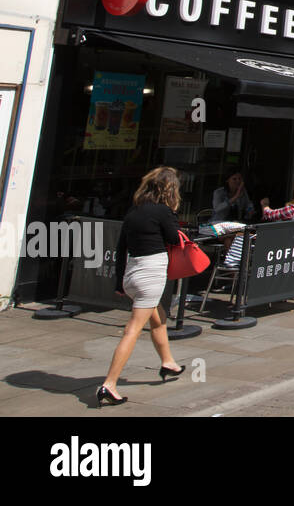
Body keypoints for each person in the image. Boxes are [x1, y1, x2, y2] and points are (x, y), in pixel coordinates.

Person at [98, 166, 186, 407]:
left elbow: (120, 249)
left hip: (132, 275)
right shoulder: (164, 212)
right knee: (133, 329)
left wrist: (119, 283)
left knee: (158, 317)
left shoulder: (133, 213)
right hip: (150, 274)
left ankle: (168, 362)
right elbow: (173, 238)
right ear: (170, 189)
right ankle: (110, 384)